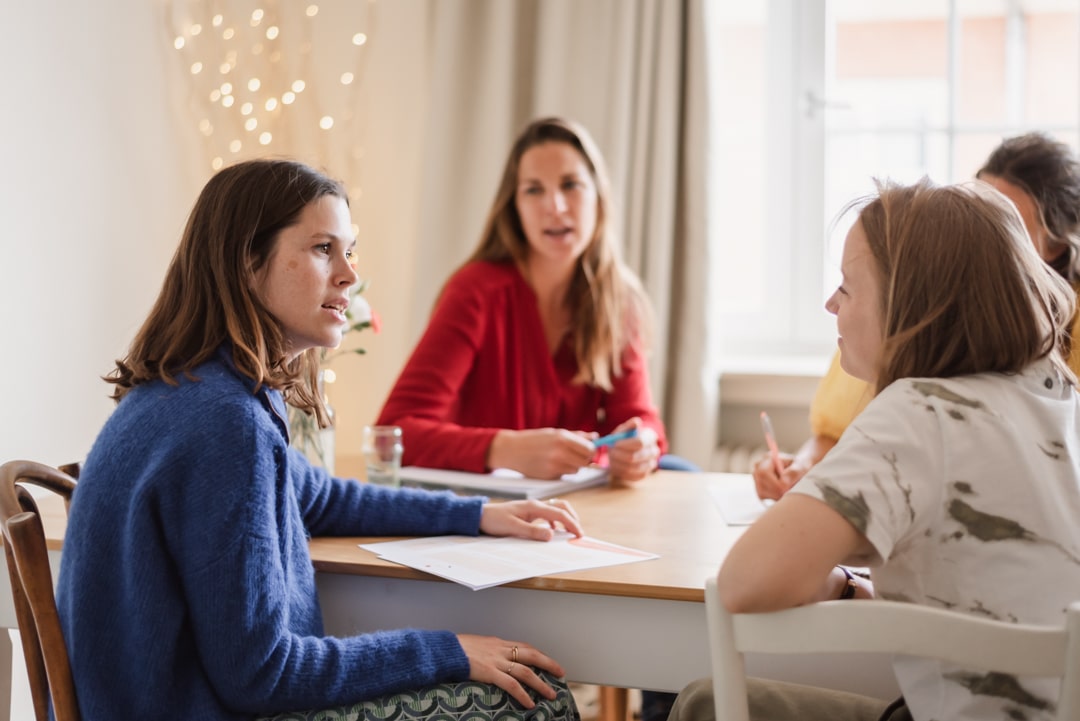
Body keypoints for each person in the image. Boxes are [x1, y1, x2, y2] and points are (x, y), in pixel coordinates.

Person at [56, 158, 586, 721]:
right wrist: (449, 650)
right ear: (246, 262)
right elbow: (264, 677)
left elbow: (323, 497)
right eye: (322, 249)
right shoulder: (225, 423)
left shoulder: (191, 389)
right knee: (532, 703)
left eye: (348, 250)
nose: (349, 275)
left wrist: (478, 514)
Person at [671, 178, 1080, 721]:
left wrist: (834, 577)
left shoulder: (921, 412)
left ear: (909, 303)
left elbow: (742, 585)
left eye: (847, 286)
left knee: (701, 702)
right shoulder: (1059, 395)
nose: (829, 303)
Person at [753, 131, 1080, 501]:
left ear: (1057, 243)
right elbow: (834, 437)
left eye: (1007, 223)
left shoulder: (916, 409)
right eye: (980, 208)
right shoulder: (895, 316)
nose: (984, 233)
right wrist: (802, 470)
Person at [376, 116, 679, 483]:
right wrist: (505, 449)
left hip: (577, 506)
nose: (555, 206)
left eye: (571, 185)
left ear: (599, 198)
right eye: (534, 190)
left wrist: (642, 444)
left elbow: (640, 421)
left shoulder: (620, 301)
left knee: (681, 469)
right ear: (515, 207)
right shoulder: (474, 292)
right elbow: (392, 435)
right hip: (483, 511)